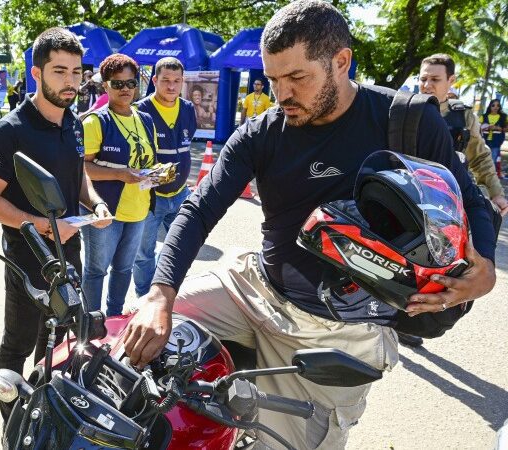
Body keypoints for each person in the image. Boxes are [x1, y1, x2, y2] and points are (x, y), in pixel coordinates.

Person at [121, 2, 498, 449]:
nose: (281, 94)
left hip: (341, 333)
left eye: (297, 78)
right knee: (129, 341)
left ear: (341, 62)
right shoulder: (260, 132)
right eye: (274, 78)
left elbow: (471, 199)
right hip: (253, 288)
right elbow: (199, 208)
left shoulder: (409, 120)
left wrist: (486, 271)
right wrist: (159, 295)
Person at [0, 27, 111, 421]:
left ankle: (45, 411)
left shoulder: (74, 123)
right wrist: (41, 225)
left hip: (70, 250)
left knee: (59, 337)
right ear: (36, 73)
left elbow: (77, 174)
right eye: (59, 72)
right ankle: (14, 423)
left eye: (76, 71)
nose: (70, 82)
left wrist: (96, 202)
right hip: (28, 254)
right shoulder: (9, 132)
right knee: (20, 339)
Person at [80, 53, 157, 317]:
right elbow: (82, 168)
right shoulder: (95, 121)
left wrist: (158, 174)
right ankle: (90, 323)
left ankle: (113, 320)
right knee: (96, 270)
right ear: (105, 86)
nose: (125, 89)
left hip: (138, 209)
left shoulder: (145, 119)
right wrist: (119, 174)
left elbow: (146, 161)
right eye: (118, 83)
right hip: (105, 211)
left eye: (130, 83)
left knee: (124, 269)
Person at [132, 57, 196, 298]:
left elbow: (186, 145)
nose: (171, 86)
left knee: (181, 247)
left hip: (180, 195)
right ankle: (142, 298)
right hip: (150, 197)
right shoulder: (141, 111)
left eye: (177, 81)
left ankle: (168, 293)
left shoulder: (188, 108)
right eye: (166, 80)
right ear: (155, 80)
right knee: (144, 254)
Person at [419, 54, 508, 216]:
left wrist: (496, 193)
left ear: (451, 80)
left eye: (435, 79)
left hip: (447, 203)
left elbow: (479, 157)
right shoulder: (402, 110)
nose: (427, 85)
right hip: (406, 197)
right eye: (423, 78)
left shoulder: (464, 117)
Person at [481, 99, 506, 176]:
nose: (496, 107)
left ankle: (490, 176)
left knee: (493, 159)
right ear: (490, 106)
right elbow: (478, 127)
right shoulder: (484, 116)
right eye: (493, 105)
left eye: (498, 105)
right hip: (485, 141)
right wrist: (485, 127)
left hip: (496, 141)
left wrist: (500, 128)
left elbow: (506, 128)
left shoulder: (503, 116)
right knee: (484, 159)